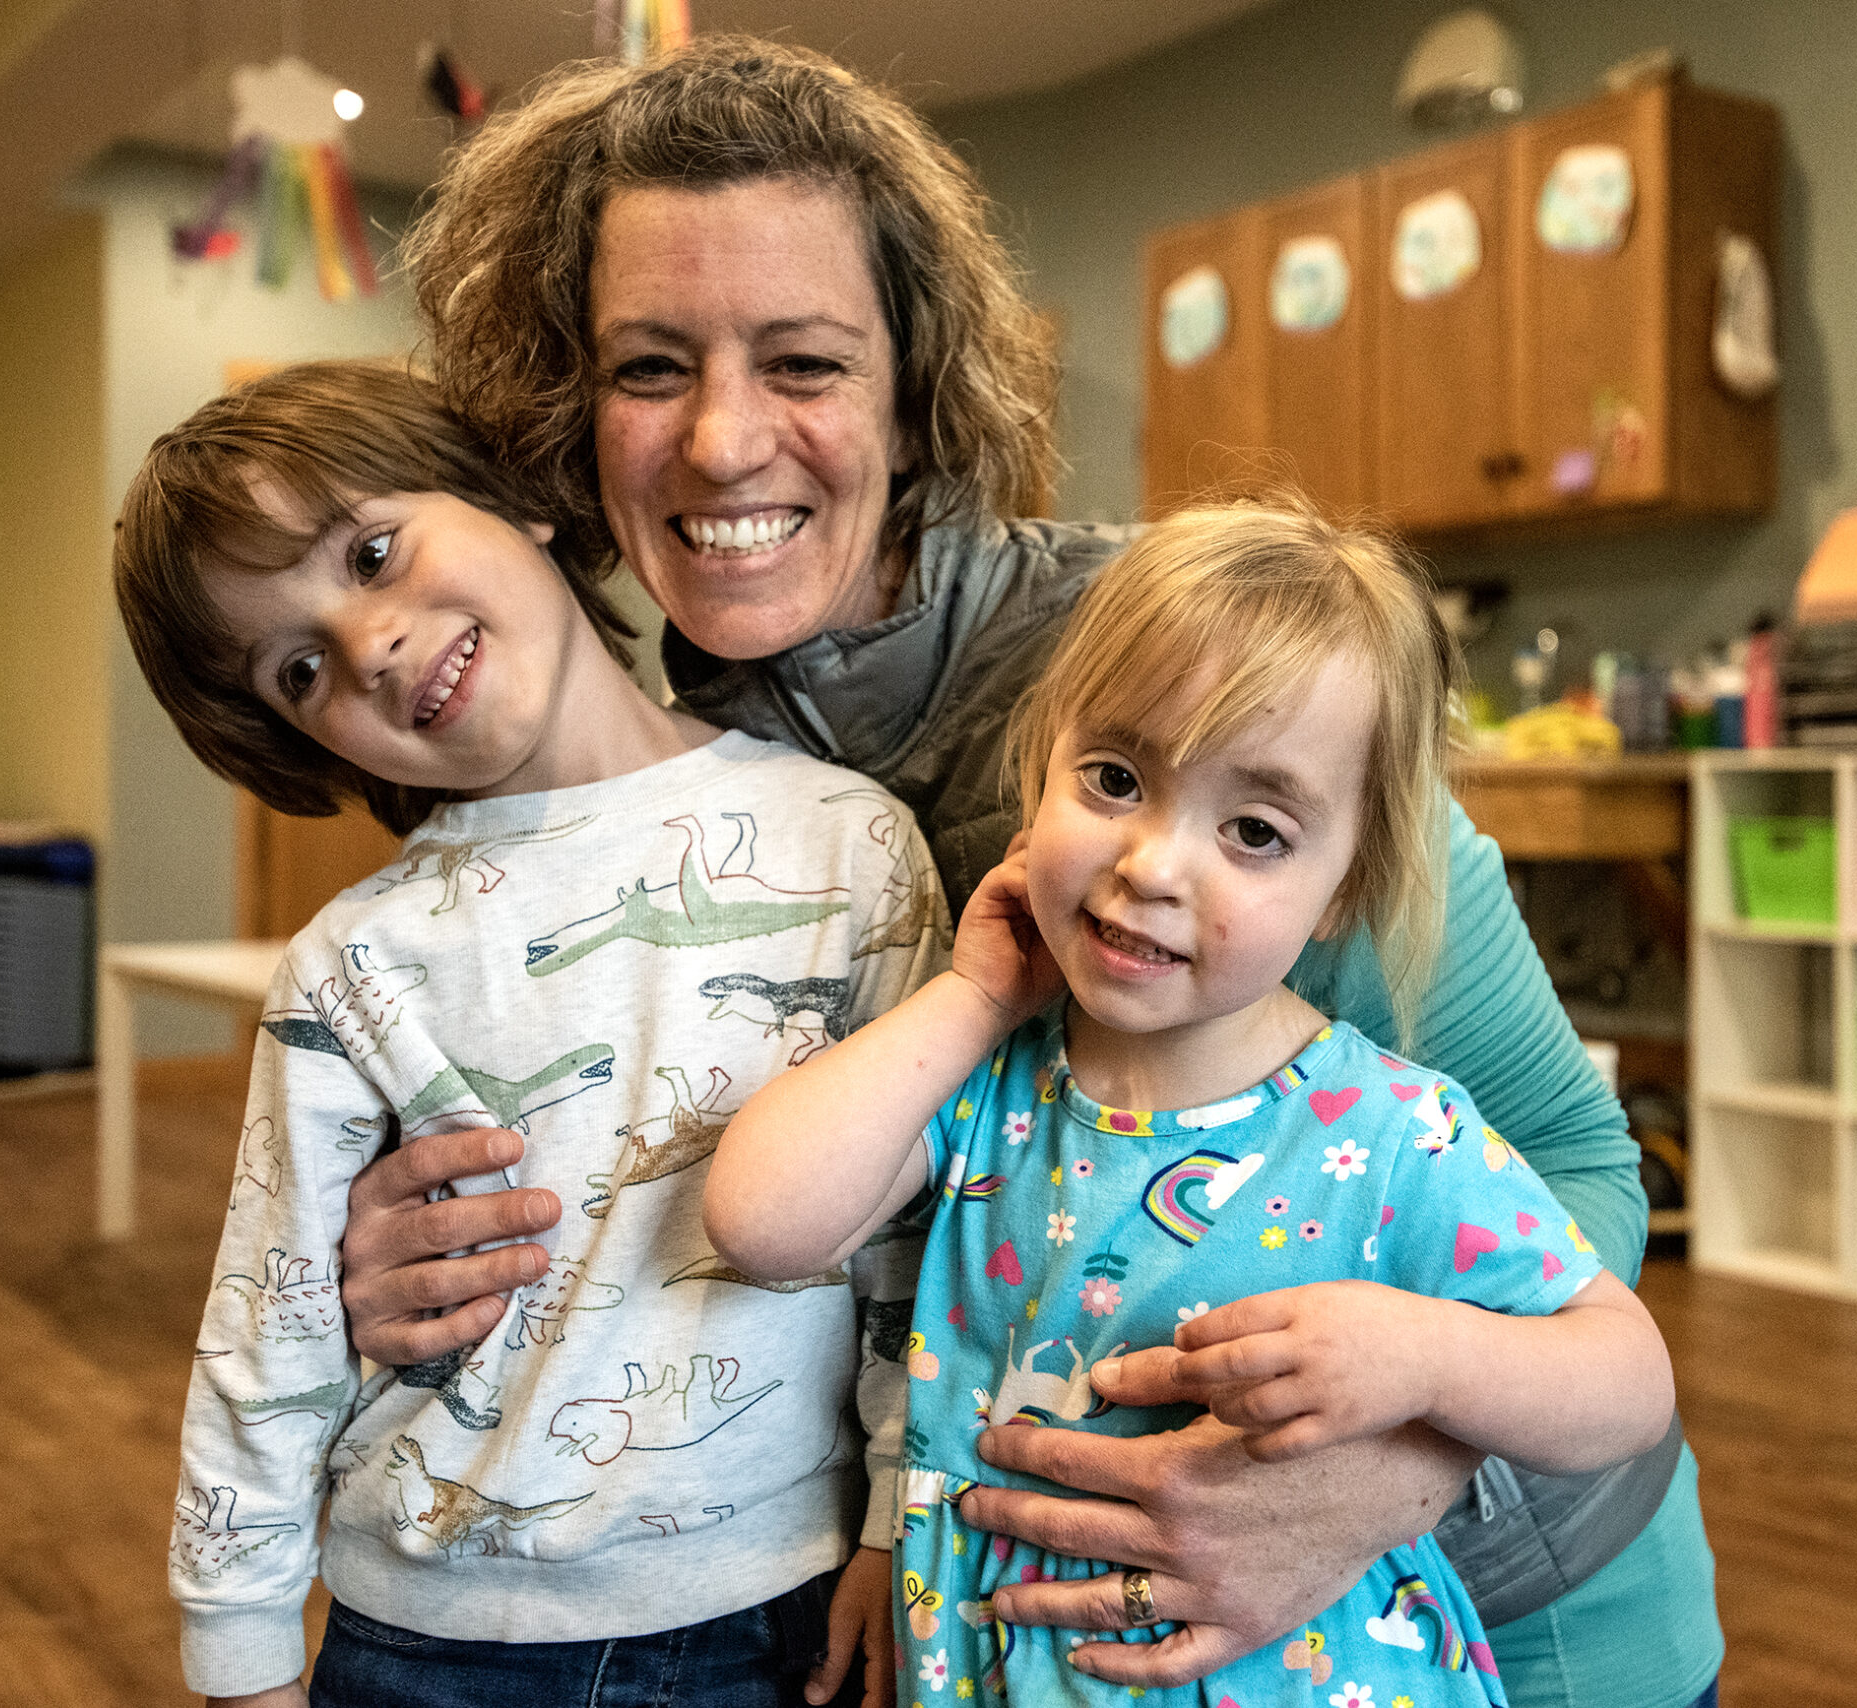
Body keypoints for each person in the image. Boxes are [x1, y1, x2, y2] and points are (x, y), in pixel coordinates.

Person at [345, 37, 1724, 1708]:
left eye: (803, 360)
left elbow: (1573, 1155)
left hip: (1500, 1614)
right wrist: (413, 1260)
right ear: (566, 403)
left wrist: (1376, 1486)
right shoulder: (650, 793)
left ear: (918, 379)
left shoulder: (1193, 682)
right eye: (649, 366)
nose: (720, 441)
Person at [705, 499, 1677, 1706]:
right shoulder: (986, 1088)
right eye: (1113, 777)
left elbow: (1627, 1378)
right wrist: (969, 996)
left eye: (1256, 830)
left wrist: (1431, 1356)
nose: (1154, 863)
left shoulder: (1393, 1132)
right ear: (1039, 767)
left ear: (1342, 893)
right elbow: (760, 1221)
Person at [115, 360, 945, 1707]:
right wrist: (242, 1655)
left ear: (520, 503)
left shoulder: (852, 844)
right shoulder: (352, 964)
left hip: (786, 1613)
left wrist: (902, 1523)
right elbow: (268, 1331)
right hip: (430, 1642)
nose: (370, 643)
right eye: (301, 666)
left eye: (374, 552)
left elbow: (920, 1241)